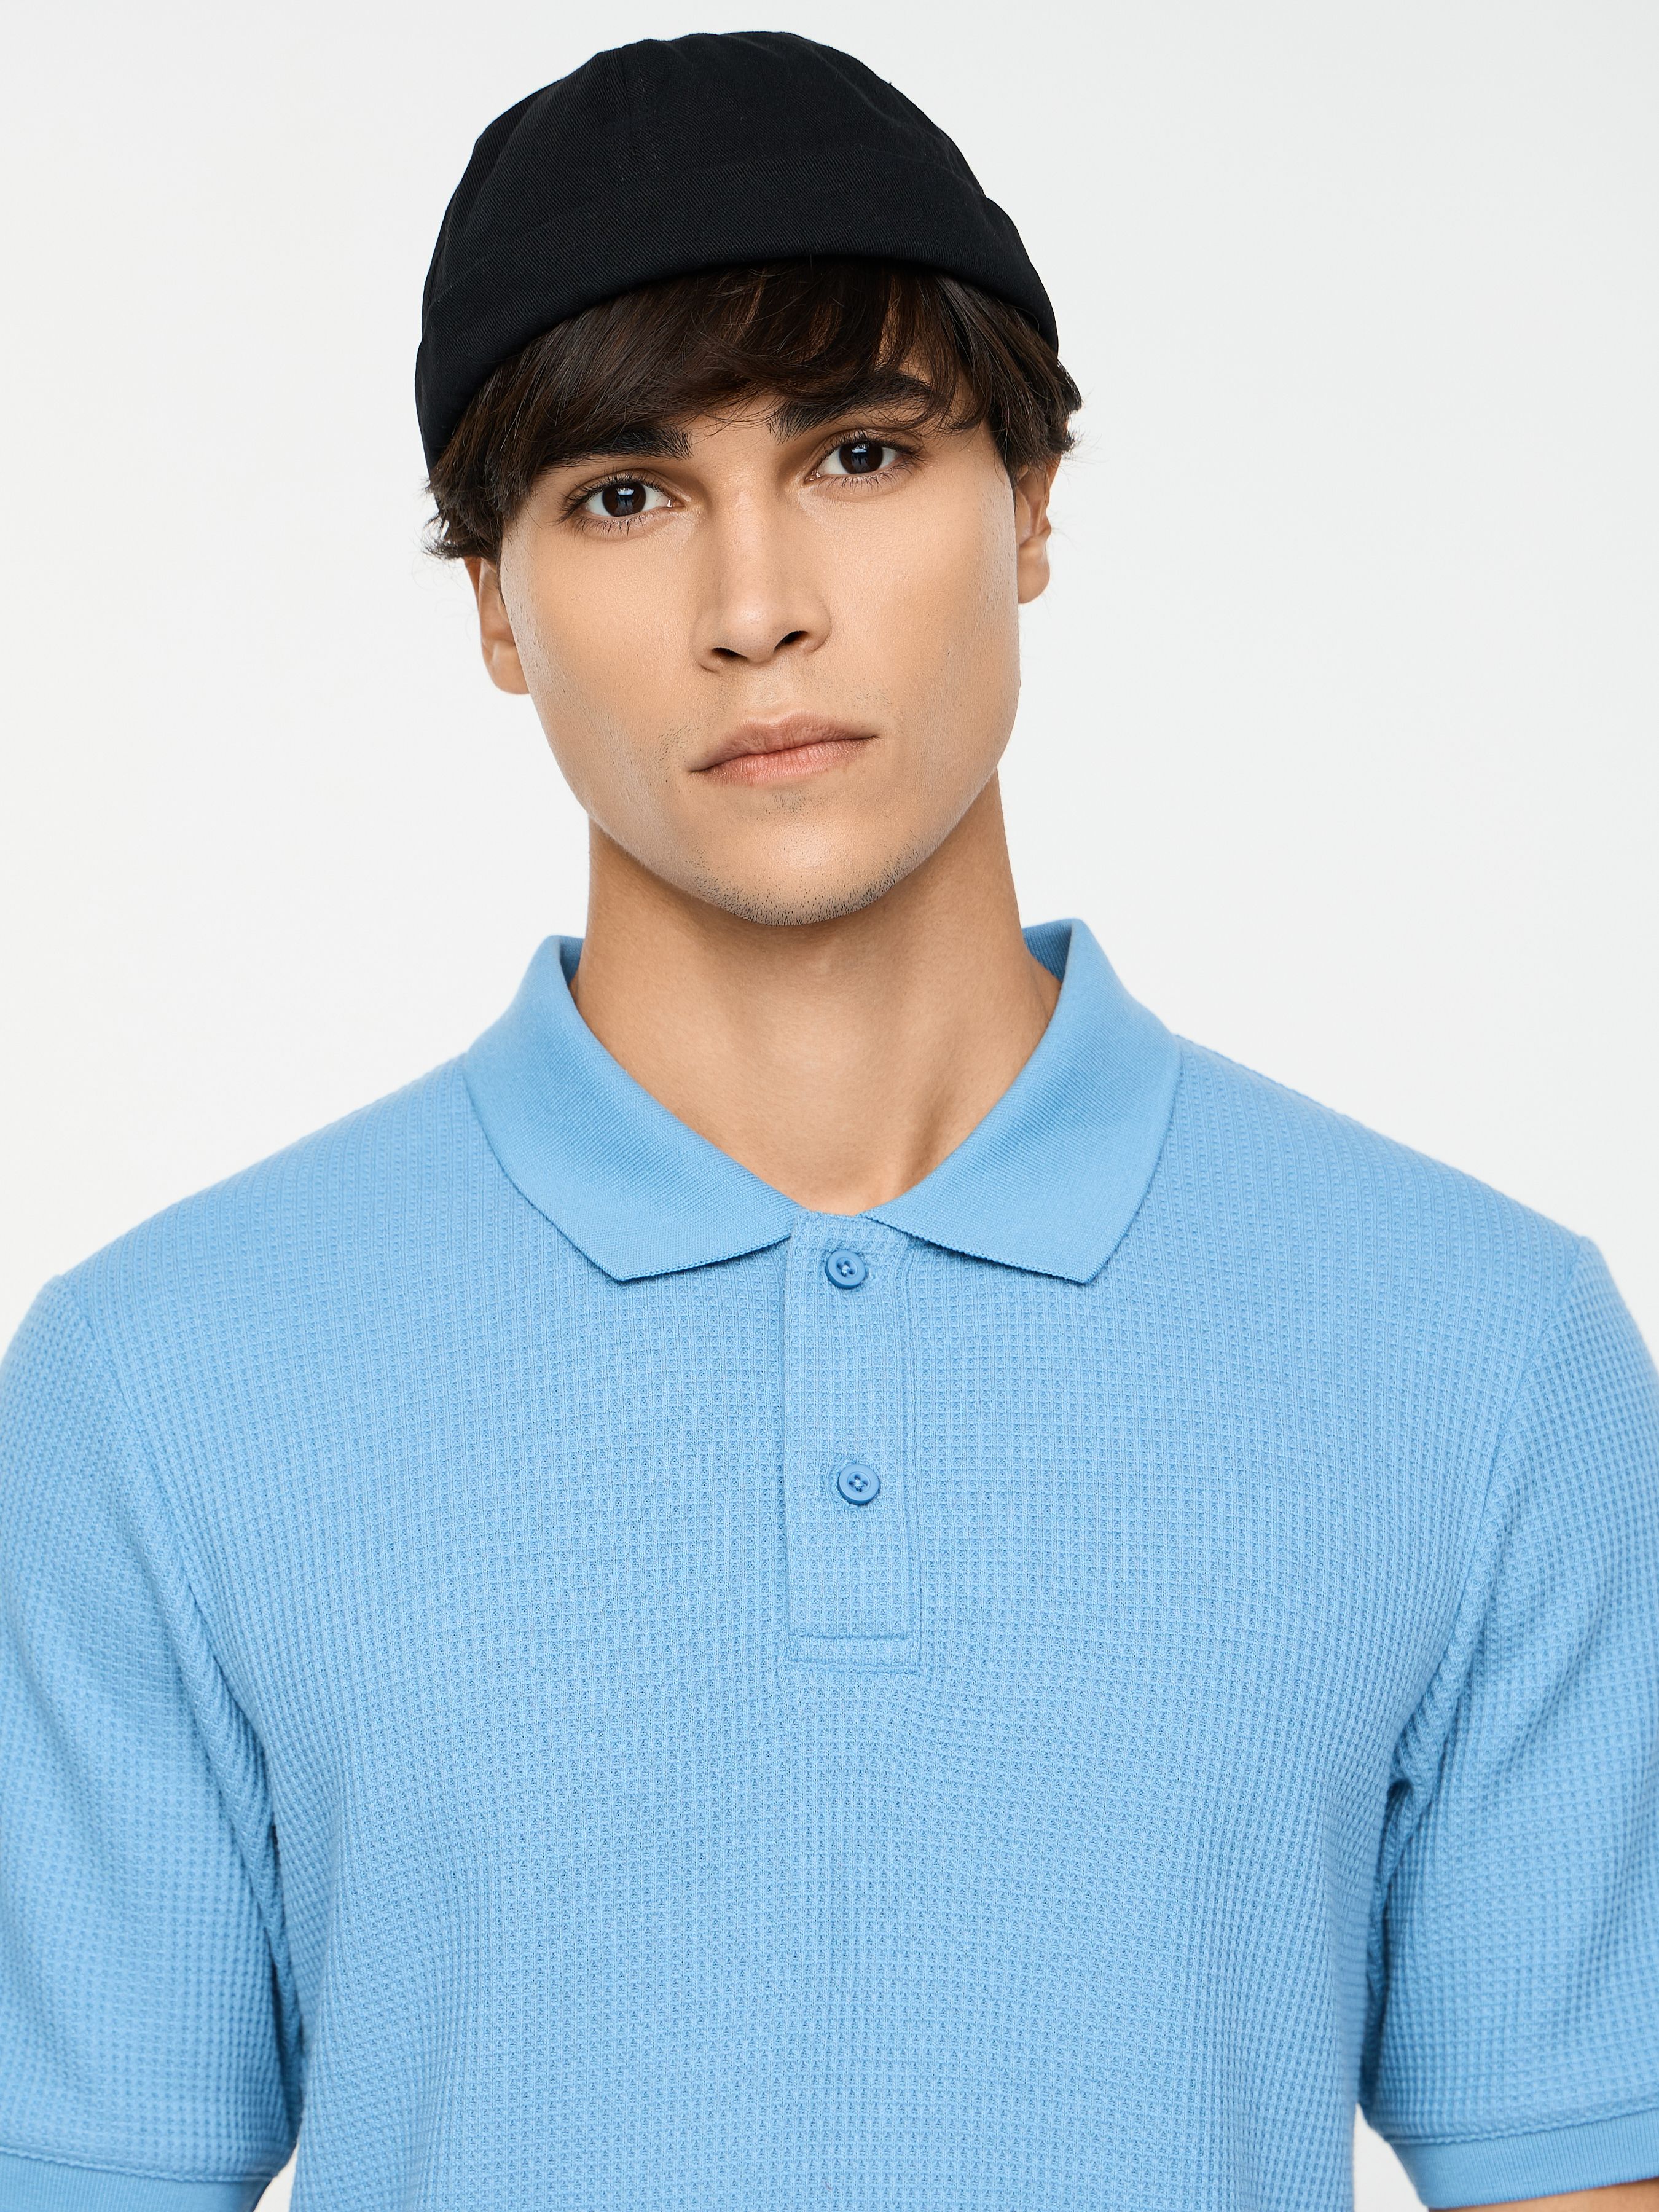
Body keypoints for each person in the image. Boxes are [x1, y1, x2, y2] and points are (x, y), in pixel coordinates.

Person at [0, 29, 1654, 2212]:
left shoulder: (1482, 1353)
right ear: (493, 606)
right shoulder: (158, 1388)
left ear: (1030, 505)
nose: (753, 606)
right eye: (623, 495)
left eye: (859, 454)